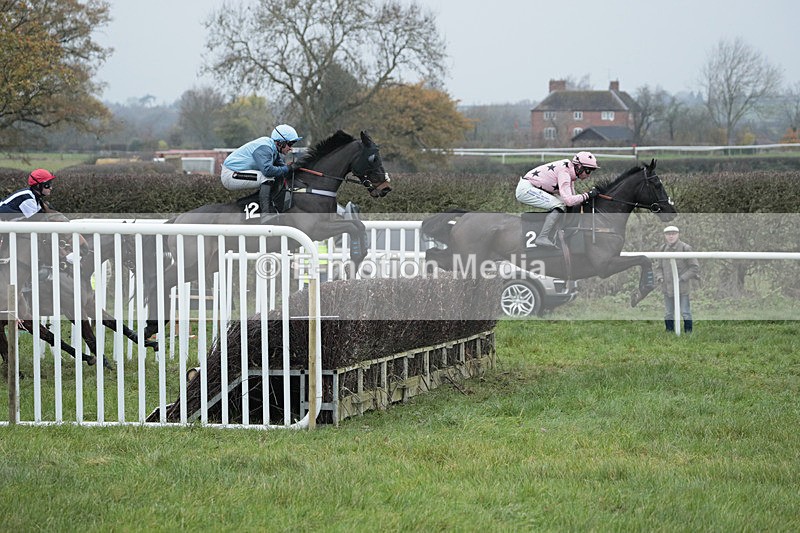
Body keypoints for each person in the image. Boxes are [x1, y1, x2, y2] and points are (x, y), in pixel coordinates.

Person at [516, 151, 600, 247]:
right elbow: (569, 201)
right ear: (579, 167)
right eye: (588, 171)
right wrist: (587, 195)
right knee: (559, 205)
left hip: (534, 187)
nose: (588, 175)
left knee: (562, 204)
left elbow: (572, 200)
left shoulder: (569, 172)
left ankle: (558, 230)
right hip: (526, 189)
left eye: (591, 171)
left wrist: (585, 198)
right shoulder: (564, 173)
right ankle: (542, 237)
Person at [220, 124, 302, 217]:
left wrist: (295, 167)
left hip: (237, 173)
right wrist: (288, 168)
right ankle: (266, 214)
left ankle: (272, 204)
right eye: (290, 144)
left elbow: (283, 169)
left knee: (276, 175)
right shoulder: (265, 148)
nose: (291, 148)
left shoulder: (273, 149)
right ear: (280, 143)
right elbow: (268, 170)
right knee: (266, 177)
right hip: (230, 175)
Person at [653, 226, 700, 333]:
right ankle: (669, 331)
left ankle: (688, 332)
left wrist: (682, 278)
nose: (671, 236)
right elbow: (658, 267)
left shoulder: (685, 248)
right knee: (668, 312)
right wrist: (660, 278)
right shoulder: (662, 249)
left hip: (682, 287)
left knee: (685, 312)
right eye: (668, 234)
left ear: (678, 234)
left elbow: (694, 267)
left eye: (673, 233)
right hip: (667, 287)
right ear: (665, 236)